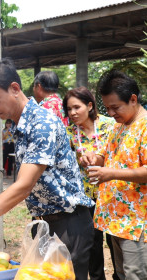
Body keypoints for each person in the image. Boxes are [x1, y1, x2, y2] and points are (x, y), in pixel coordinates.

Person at [0, 58, 95, 280]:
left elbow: (24, 185)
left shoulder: (41, 123)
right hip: (43, 223)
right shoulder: (20, 124)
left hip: (68, 224)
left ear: (15, 89)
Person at [80, 70, 147, 280]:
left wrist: (111, 174)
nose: (110, 113)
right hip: (115, 219)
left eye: (115, 107)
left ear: (133, 99)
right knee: (122, 274)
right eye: (107, 108)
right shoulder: (118, 127)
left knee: (135, 274)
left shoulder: (145, 127)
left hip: (137, 221)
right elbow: (107, 156)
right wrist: (93, 158)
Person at [63, 87, 115, 280]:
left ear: (90, 105)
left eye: (77, 107)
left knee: (115, 241)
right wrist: (79, 158)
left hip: (112, 194)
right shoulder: (68, 133)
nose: (73, 113)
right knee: (92, 244)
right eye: (69, 109)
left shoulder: (110, 125)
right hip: (86, 198)